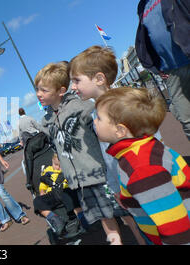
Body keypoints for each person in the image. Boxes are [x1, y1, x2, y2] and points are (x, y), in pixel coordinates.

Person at [34, 61, 125, 245]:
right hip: (79, 181)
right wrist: (56, 156)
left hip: (98, 174)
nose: (38, 94)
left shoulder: (81, 107)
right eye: (37, 89)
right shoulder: (47, 120)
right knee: (103, 218)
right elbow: (56, 142)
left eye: (44, 90)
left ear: (60, 91)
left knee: (126, 214)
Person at [70, 45, 150, 245]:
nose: (73, 87)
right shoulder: (95, 114)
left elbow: (152, 141)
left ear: (99, 78)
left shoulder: (126, 103)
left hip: (148, 184)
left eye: (77, 80)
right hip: (126, 188)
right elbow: (107, 155)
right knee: (147, 231)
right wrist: (115, 187)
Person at [95, 87, 190, 245]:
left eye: (99, 118)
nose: (94, 121)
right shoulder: (143, 148)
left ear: (120, 130)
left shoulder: (141, 167)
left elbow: (174, 227)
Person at [133, 0, 190, 140]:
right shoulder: (141, 7)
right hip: (170, 71)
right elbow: (146, 39)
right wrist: (155, 67)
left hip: (187, 58)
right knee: (186, 119)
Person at [33, 153, 84, 234]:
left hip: (66, 191)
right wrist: (42, 191)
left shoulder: (67, 170)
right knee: (37, 201)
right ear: (52, 162)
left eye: (61, 166)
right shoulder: (48, 171)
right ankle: (55, 219)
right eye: (56, 165)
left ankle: (81, 218)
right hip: (53, 194)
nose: (59, 168)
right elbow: (43, 184)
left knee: (73, 197)